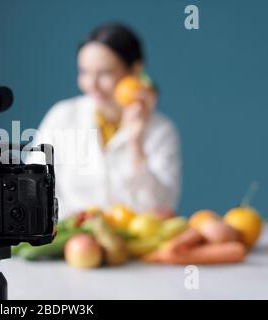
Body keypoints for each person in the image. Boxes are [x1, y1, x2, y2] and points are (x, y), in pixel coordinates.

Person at [26, 23, 181, 219]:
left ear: (135, 70)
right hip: (69, 240)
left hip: (133, 246)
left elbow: (161, 208)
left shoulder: (161, 130)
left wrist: (135, 141)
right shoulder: (62, 116)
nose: (92, 84)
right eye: (84, 72)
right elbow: (32, 185)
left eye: (105, 73)